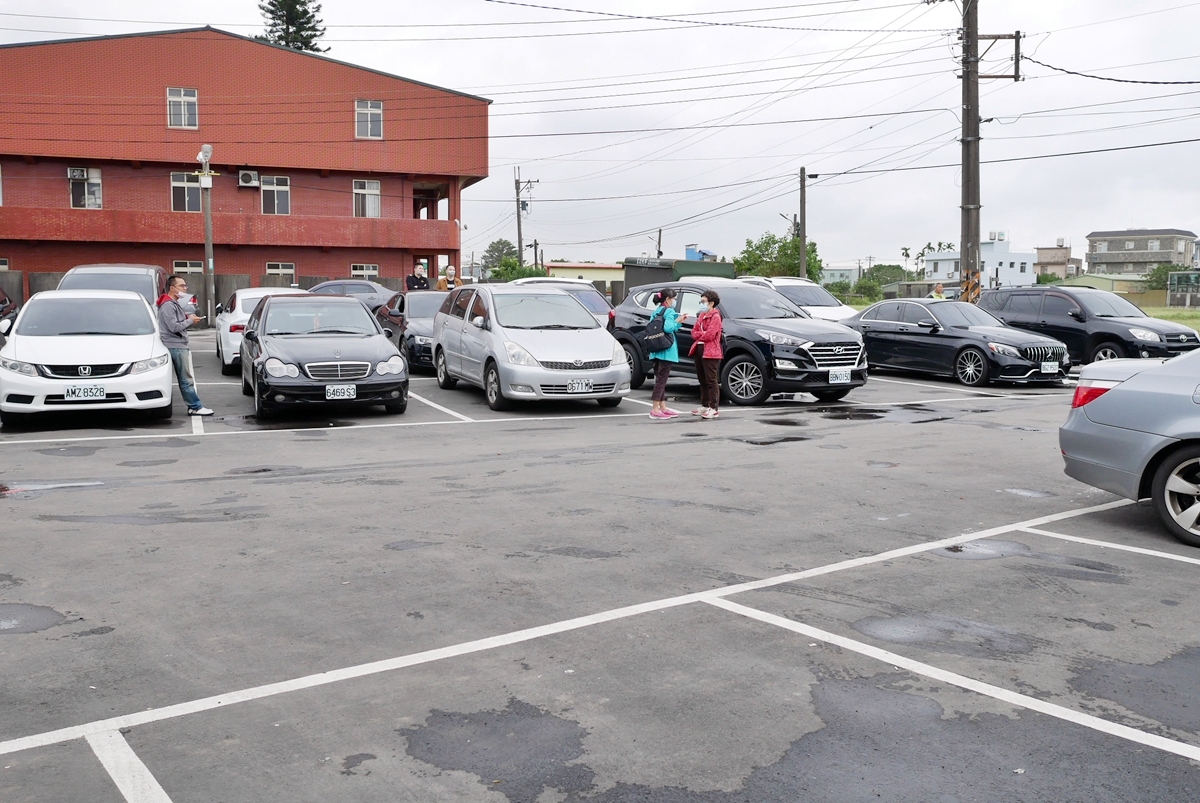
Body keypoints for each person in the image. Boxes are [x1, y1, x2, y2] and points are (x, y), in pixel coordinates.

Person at [157, 275, 213, 416]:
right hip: (175, 346)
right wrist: (189, 321)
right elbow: (174, 327)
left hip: (177, 344)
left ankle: (194, 406)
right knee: (186, 379)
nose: (185, 288)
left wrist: (189, 319)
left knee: (185, 379)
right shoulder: (168, 305)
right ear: (172, 288)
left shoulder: (172, 304)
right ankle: (195, 407)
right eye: (182, 286)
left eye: (185, 286)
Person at [647, 288, 689, 419]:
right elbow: (668, 328)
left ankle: (662, 407)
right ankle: (655, 408)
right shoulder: (670, 311)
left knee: (660, 380)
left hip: (655, 350)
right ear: (667, 299)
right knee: (661, 381)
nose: (675, 301)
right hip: (666, 351)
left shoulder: (656, 311)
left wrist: (677, 323)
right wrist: (678, 320)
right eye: (674, 299)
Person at [688, 290, 724, 420]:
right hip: (699, 349)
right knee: (702, 379)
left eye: (703, 301)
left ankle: (713, 408)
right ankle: (704, 405)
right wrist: (701, 335)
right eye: (701, 301)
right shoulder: (702, 315)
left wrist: (701, 335)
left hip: (711, 352)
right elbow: (694, 331)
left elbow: (711, 334)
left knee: (711, 380)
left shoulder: (715, 316)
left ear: (711, 303)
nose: (701, 304)